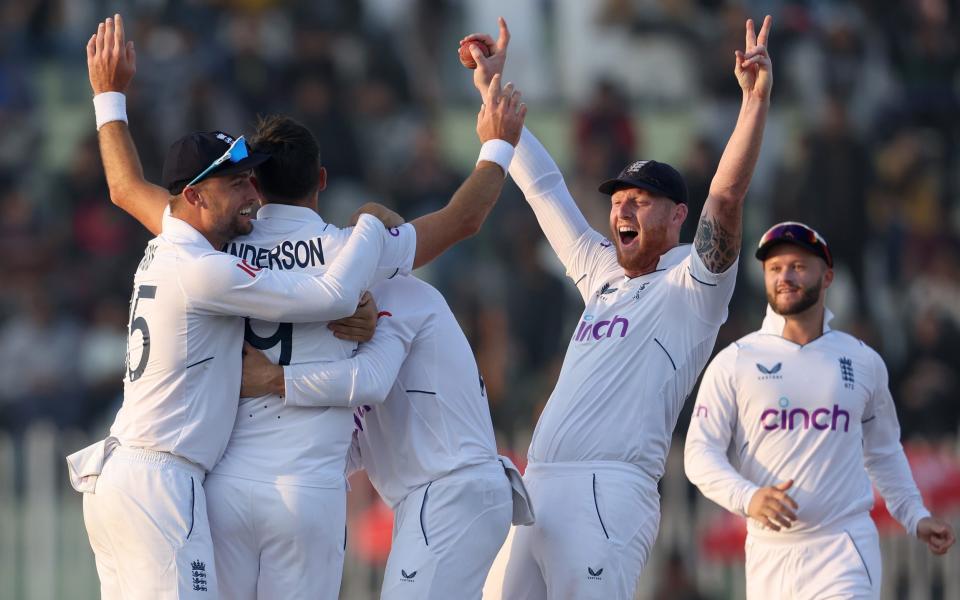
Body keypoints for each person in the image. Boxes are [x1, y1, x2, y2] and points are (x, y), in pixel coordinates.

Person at [81, 13, 528, 599]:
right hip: (304, 491)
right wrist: (497, 143)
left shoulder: (209, 241)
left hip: (219, 486)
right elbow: (461, 220)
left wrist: (109, 97)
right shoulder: (349, 253)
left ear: (255, 187)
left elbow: (123, 186)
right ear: (319, 179)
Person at [460, 16, 773, 599]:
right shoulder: (601, 270)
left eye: (641, 202)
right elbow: (544, 189)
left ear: (679, 215)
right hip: (538, 486)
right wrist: (491, 90)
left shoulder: (693, 284)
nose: (623, 212)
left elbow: (726, 197)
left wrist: (753, 104)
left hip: (611, 489)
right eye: (619, 201)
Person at [684, 221, 956, 599]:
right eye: (775, 268)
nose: (785, 277)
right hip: (769, 557)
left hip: (843, 547)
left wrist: (915, 516)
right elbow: (699, 455)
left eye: (798, 266)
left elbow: (884, 452)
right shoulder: (734, 362)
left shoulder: (862, 360)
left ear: (827, 277)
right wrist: (748, 497)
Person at [242, 269, 534, 600]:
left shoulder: (400, 293)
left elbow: (371, 381)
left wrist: (271, 378)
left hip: (450, 489)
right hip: (440, 496)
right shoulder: (347, 339)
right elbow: (345, 447)